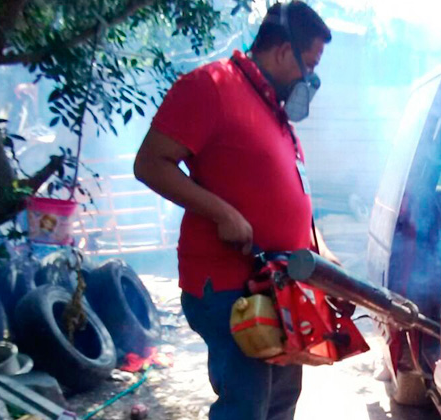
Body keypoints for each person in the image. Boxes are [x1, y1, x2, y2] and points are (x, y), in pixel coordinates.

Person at [133, 2, 338, 419]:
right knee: (247, 405)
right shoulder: (211, 86)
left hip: (281, 287)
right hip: (231, 285)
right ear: (283, 52)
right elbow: (150, 163)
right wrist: (223, 214)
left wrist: (322, 253)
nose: (311, 79)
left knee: (281, 400)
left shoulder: (277, 116)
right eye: (311, 65)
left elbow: (295, 197)